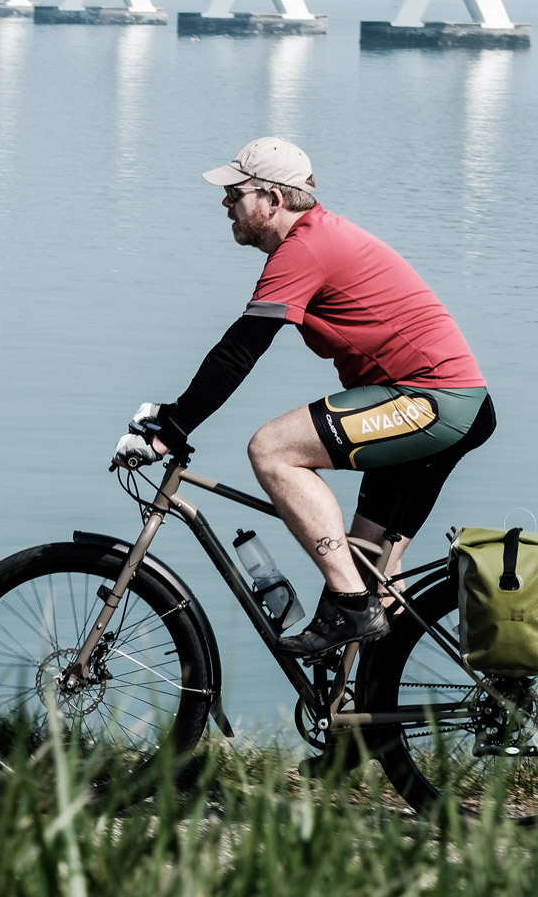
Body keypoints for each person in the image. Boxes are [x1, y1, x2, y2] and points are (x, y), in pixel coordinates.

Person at [112, 137, 496, 658]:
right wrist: (175, 416)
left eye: (235, 192)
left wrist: (174, 429)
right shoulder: (316, 239)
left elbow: (240, 350)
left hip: (431, 402)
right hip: (449, 404)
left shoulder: (306, 247)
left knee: (272, 449)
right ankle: (374, 724)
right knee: (372, 566)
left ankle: (349, 606)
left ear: (272, 199)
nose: (225, 203)